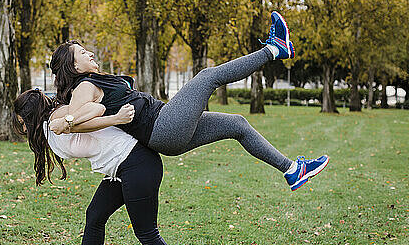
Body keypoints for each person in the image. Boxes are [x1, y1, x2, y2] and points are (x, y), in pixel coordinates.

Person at [49, 12, 329, 191]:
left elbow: (82, 117)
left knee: (238, 124)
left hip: (165, 129)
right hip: (163, 127)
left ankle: (293, 170)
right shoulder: (84, 87)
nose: (90, 54)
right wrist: (77, 121)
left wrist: (95, 118)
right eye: (83, 53)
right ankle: (274, 49)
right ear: (73, 67)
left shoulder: (92, 82)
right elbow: (73, 122)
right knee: (208, 76)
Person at [12, 89, 193, 245]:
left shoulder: (60, 116)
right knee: (95, 216)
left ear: (30, 115)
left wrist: (76, 121)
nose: (22, 129)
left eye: (22, 122)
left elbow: (96, 109)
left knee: (146, 232)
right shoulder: (50, 124)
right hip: (120, 168)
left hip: (137, 164)